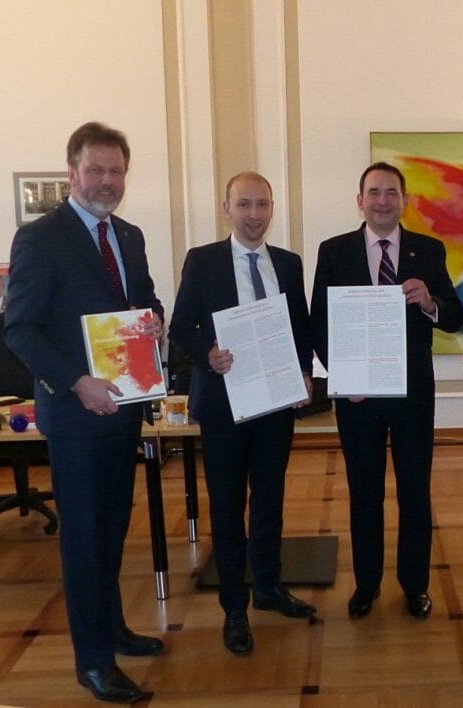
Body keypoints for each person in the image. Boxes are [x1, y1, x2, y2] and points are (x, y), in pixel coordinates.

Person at [4, 121, 165, 704]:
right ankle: (92, 662)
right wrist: (76, 382)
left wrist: (155, 321)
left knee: (113, 527)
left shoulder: (130, 235)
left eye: (116, 171)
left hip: (123, 410)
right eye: (95, 169)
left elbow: (142, 300)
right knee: (83, 539)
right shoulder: (40, 238)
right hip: (76, 416)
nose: (106, 181)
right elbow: (21, 328)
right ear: (72, 172)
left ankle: (114, 628)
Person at [167, 171, 316, 657]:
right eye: (245, 204)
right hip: (224, 406)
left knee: (270, 501)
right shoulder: (203, 260)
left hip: (276, 404)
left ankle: (269, 587)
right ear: (226, 208)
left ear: (272, 208)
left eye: (262, 204)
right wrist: (206, 353)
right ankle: (234, 607)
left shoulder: (289, 264)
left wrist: (304, 373)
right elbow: (180, 329)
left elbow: (300, 327)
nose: (255, 214)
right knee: (228, 507)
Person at [310, 162, 463, 620]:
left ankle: (415, 585)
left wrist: (430, 302)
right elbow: (320, 323)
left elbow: (454, 316)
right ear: (360, 200)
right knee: (364, 492)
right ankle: (367, 584)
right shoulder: (333, 251)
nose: (382, 200)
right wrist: (345, 376)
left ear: (404, 200)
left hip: (412, 396)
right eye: (374, 192)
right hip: (357, 399)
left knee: (415, 491)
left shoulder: (428, 250)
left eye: (391, 192)